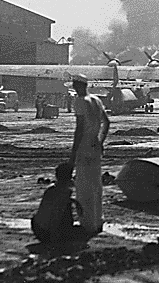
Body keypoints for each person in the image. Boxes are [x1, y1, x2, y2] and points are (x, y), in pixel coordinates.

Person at [68, 74, 110, 237]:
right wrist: (100, 141)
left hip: (84, 146)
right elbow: (106, 122)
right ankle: (98, 220)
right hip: (94, 146)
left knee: (84, 186)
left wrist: (73, 152)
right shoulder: (96, 100)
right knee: (95, 185)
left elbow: (79, 129)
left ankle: (87, 223)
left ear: (78, 85)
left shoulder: (79, 101)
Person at [31, 162, 88, 244]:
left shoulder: (50, 189)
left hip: (38, 228)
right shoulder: (65, 193)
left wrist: (74, 201)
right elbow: (56, 215)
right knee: (81, 232)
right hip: (49, 232)